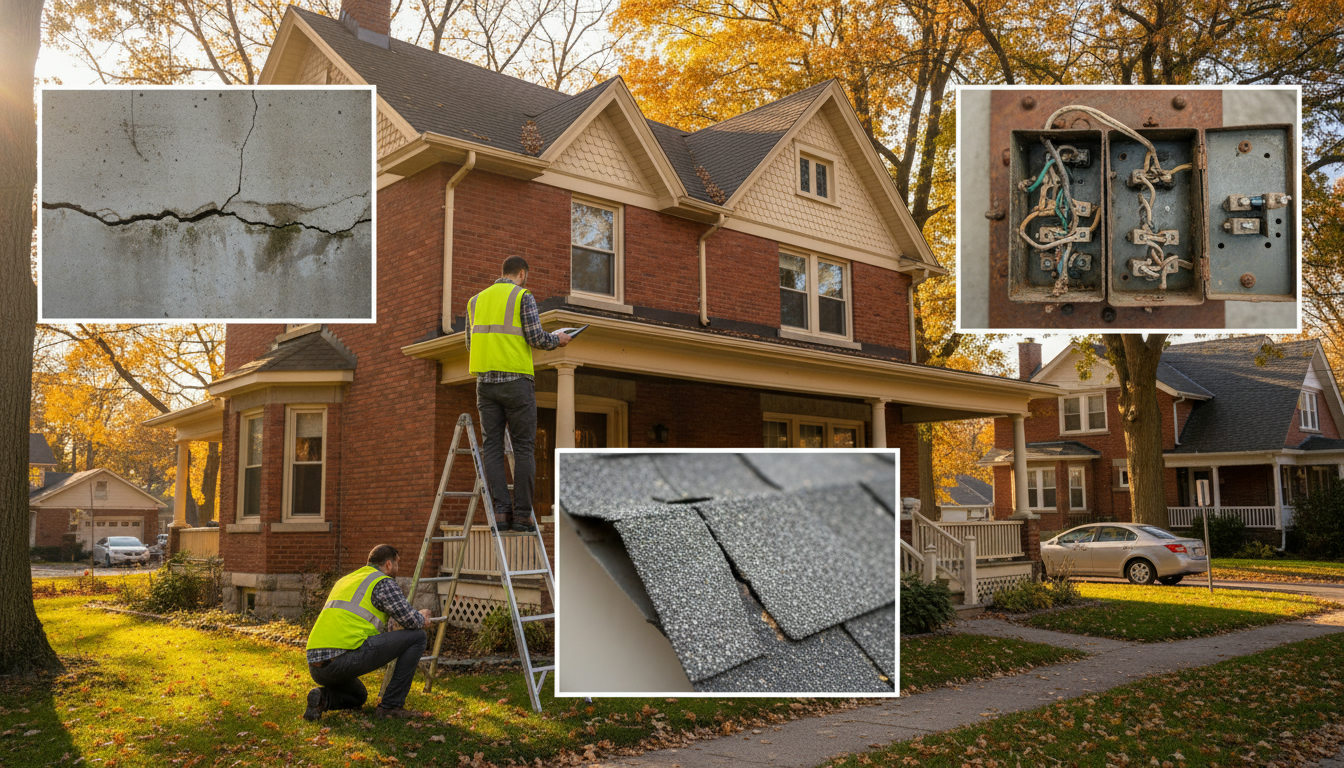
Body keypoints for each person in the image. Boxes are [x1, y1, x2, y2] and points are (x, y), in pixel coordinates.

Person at [465, 255, 571, 533]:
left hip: (485, 384)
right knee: (523, 448)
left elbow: (469, 344)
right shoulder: (523, 297)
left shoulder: (475, 301)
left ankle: (501, 513)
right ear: (521, 274)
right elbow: (536, 338)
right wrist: (557, 339)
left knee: (492, 448)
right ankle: (523, 516)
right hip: (516, 382)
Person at [304, 544, 431, 721]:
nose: (397, 568)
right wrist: (422, 615)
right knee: (418, 637)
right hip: (342, 659)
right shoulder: (383, 582)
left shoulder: (346, 580)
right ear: (388, 564)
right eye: (397, 563)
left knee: (359, 696)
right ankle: (391, 706)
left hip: (316, 666)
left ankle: (322, 698)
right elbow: (412, 621)